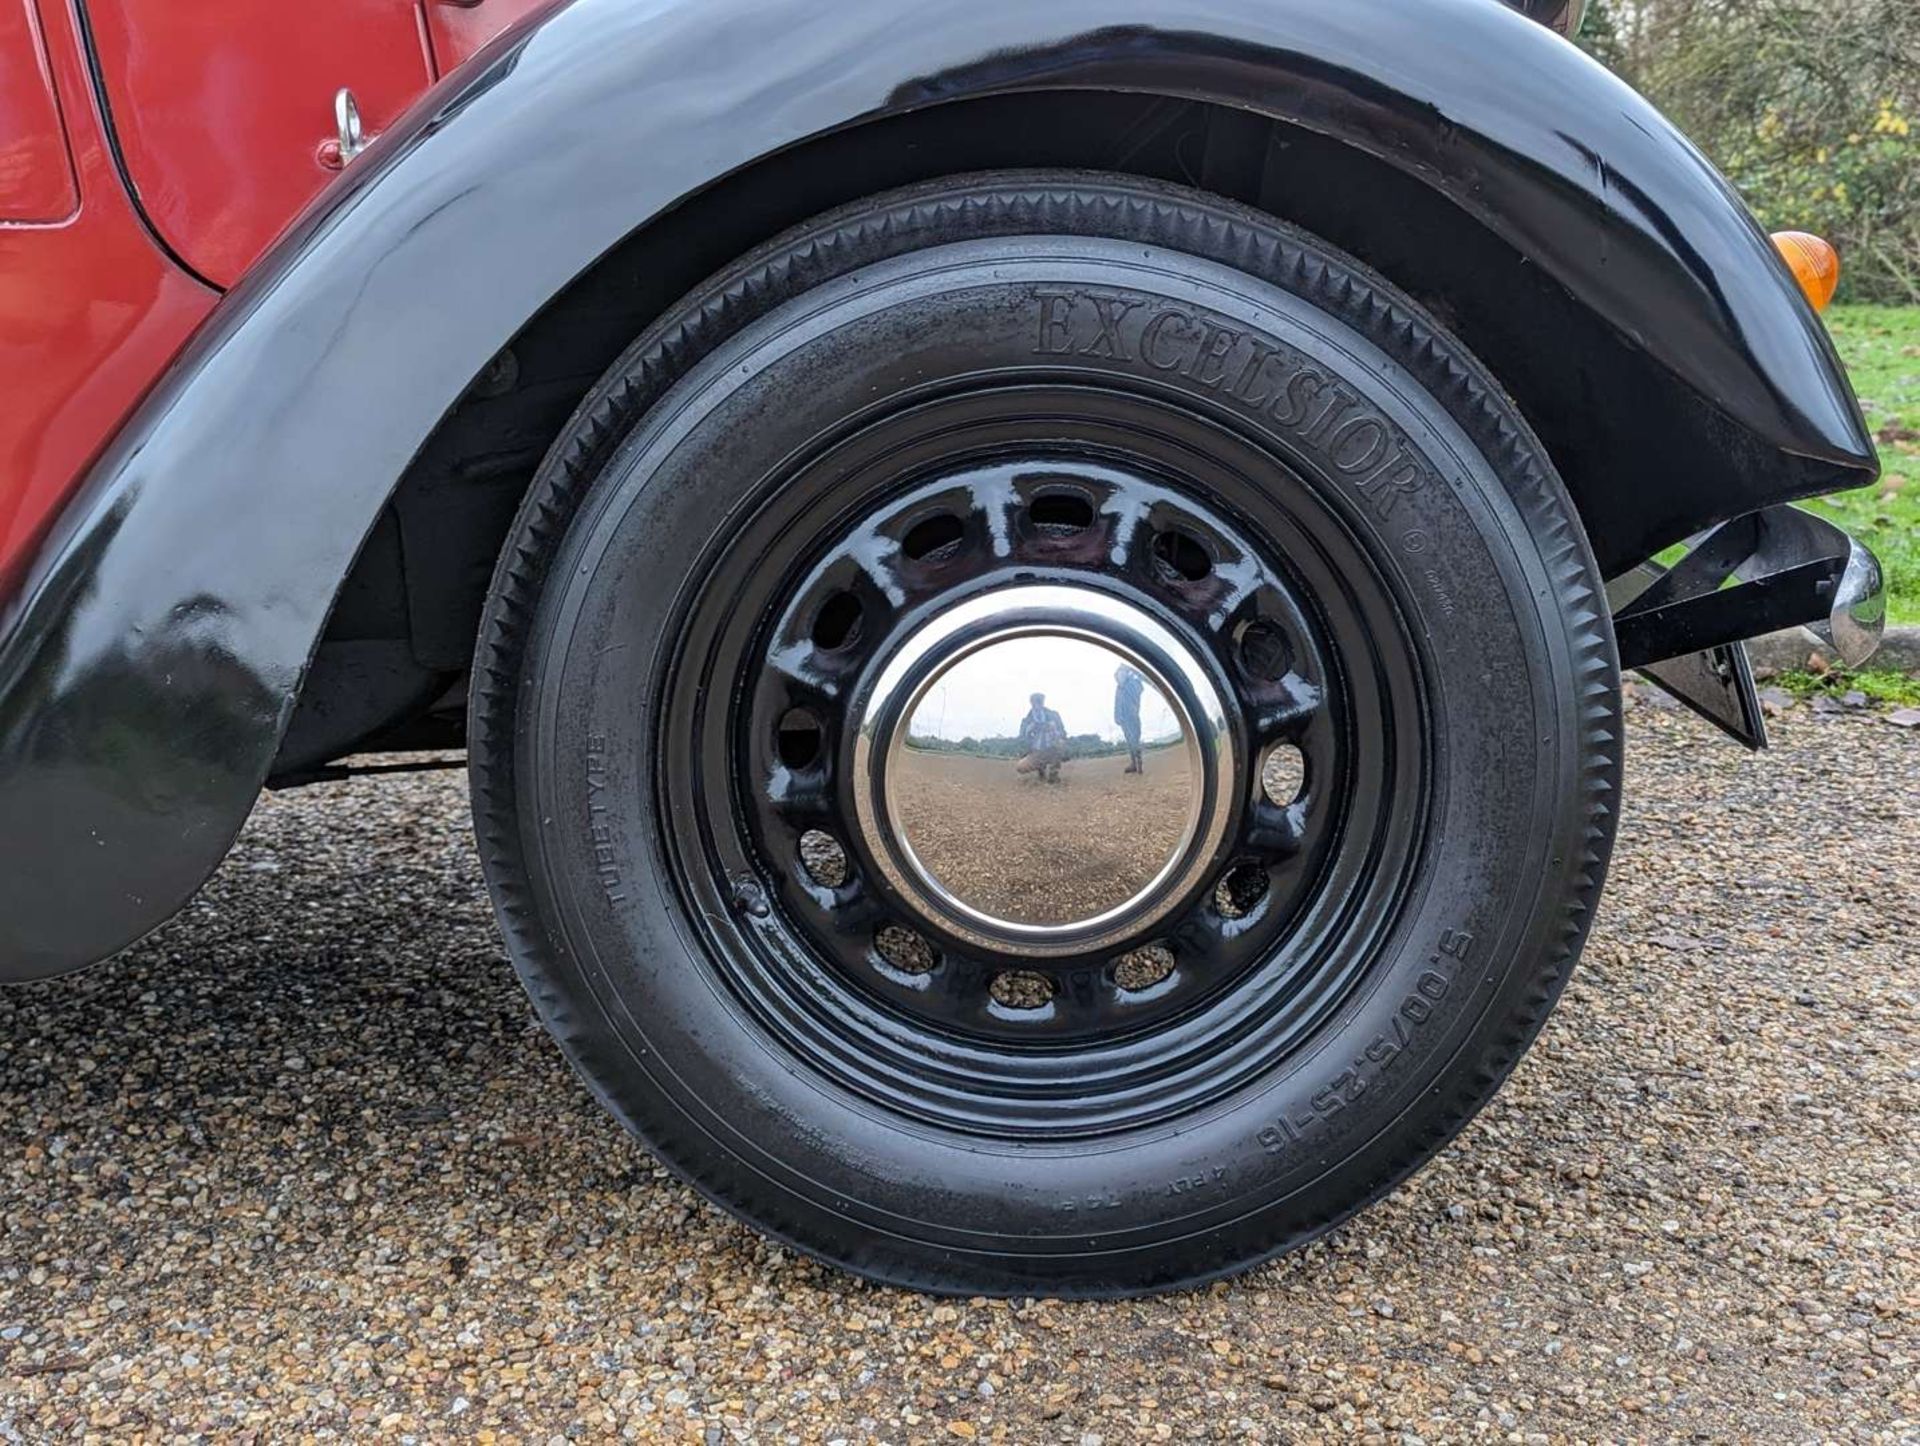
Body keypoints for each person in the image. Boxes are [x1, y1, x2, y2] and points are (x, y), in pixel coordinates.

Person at [1015, 691, 1067, 784]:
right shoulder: (1027, 720)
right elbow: (1021, 738)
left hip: (1052, 749)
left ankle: (1053, 774)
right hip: (1036, 752)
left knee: (1060, 743)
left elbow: (1063, 733)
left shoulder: (1054, 715)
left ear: (1043, 702)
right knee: (1020, 767)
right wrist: (1030, 731)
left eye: (1040, 701)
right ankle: (1041, 770)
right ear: (1031, 703)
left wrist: (1055, 731)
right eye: (1035, 701)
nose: (1038, 704)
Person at [1114, 664, 1146, 774]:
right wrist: (1117, 716)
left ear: (1126, 674)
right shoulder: (1119, 688)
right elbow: (1117, 703)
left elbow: (1140, 687)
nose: (1120, 677)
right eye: (1118, 675)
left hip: (1132, 715)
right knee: (1129, 740)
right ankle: (1134, 763)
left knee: (1134, 739)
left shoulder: (1133, 683)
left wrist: (1133, 671)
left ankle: (1138, 762)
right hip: (1123, 718)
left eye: (1122, 674)